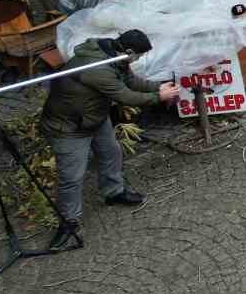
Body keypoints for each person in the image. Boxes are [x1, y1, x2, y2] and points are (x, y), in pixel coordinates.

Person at [39, 29, 178, 250]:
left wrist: (157, 86)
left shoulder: (115, 56)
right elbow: (125, 96)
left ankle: (113, 192)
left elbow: (130, 81)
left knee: (110, 152)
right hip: (69, 127)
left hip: (94, 116)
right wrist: (159, 97)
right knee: (72, 176)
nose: (139, 59)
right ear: (129, 51)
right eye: (139, 56)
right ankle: (68, 222)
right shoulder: (98, 69)